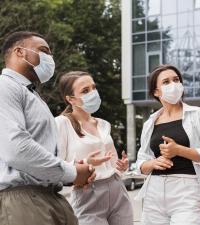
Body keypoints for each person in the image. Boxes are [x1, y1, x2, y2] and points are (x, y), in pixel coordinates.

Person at [0, 31, 96, 225]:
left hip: (48, 197)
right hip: (24, 202)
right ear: (19, 52)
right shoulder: (6, 87)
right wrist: (72, 172)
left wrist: (72, 171)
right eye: (44, 51)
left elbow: (38, 149)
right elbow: (16, 149)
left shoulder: (31, 95)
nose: (50, 59)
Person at [135, 64, 200, 225]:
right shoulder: (150, 123)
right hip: (154, 190)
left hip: (187, 189)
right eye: (166, 82)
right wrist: (153, 163)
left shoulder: (198, 114)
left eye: (176, 80)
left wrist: (178, 150)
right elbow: (141, 162)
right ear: (156, 92)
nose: (173, 85)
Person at [55, 71, 133, 225]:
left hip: (117, 189)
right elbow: (56, 165)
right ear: (70, 99)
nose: (93, 93)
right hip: (87, 193)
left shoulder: (104, 124)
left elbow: (113, 163)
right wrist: (84, 163)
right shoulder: (61, 123)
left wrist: (122, 167)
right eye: (85, 91)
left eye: (93, 88)